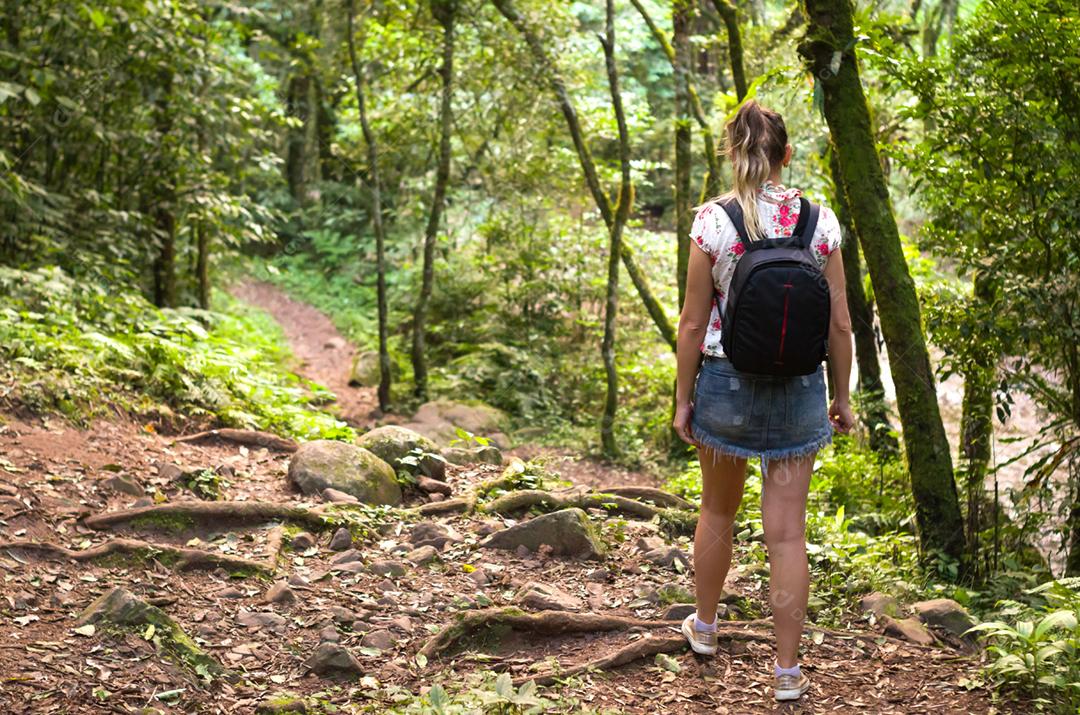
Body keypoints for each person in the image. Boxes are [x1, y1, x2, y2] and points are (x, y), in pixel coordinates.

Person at [672, 100, 855, 702]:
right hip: (802, 391)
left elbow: (694, 323)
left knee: (717, 513)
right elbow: (840, 326)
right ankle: (786, 672)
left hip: (727, 386)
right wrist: (843, 400)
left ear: (732, 153)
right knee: (786, 535)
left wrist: (683, 400)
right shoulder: (821, 222)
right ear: (786, 155)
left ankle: (704, 628)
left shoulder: (713, 221)